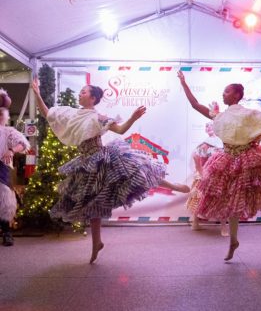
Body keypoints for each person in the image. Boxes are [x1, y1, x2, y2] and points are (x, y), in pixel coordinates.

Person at [32, 79, 189, 263]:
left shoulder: (98, 118)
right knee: (93, 204)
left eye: (84, 91)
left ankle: (173, 185)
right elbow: (48, 113)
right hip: (85, 163)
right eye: (81, 91)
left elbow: (121, 129)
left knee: (137, 170)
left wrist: (133, 118)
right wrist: (37, 92)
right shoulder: (72, 114)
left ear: (93, 98)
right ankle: (96, 243)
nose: (80, 94)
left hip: (101, 157)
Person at [177, 70, 261, 261]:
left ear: (236, 95)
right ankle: (233, 241)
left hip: (249, 156)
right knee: (234, 203)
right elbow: (195, 105)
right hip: (227, 159)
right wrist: (184, 83)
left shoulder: (249, 114)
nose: (223, 94)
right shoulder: (219, 116)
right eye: (223, 92)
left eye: (226, 92)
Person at [187, 121, 228, 236]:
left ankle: (223, 227)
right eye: (207, 126)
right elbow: (196, 157)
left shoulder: (219, 143)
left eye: (210, 126)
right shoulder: (207, 143)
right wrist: (201, 171)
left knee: (217, 200)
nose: (209, 128)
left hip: (217, 175)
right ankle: (197, 223)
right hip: (208, 174)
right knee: (200, 199)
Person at [0, 106, 30, 246]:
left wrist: (11, 150)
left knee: (4, 201)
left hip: (1, 167)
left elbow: (23, 144)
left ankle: (6, 232)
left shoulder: (7, 131)